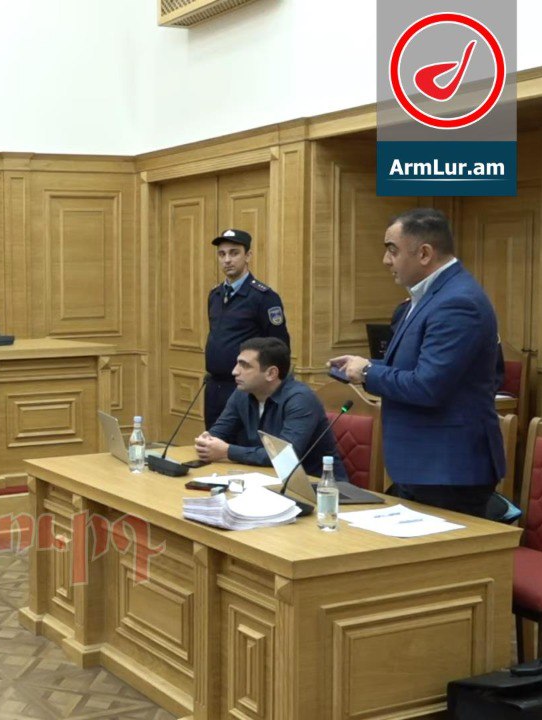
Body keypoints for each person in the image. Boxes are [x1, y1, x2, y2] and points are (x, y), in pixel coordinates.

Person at [329, 208, 504, 518]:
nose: (386, 260)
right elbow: (415, 365)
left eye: (392, 250)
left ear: (424, 253)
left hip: (448, 470)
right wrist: (366, 364)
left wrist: (368, 372)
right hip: (424, 465)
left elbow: (428, 386)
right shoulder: (429, 296)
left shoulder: (457, 302)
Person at [195, 337, 346, 480]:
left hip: (319, 486)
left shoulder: (300, 399)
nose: (235, 371)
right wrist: (206, 442)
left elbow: (285, 457)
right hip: (266, 477)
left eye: (245, 365)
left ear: (271, 373)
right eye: (237, 363)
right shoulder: (242, 393)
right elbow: (218, 433)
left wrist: (227, 451)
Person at [204, 229, 290, 429]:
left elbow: (279, 347)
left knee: (239, 441)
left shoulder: (264, 297)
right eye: (222, 254)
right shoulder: (215, 295)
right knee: (212, 439)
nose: (227, 260)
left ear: (248, 256)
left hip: (245, 388)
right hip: (214, 386)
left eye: (234, 253)